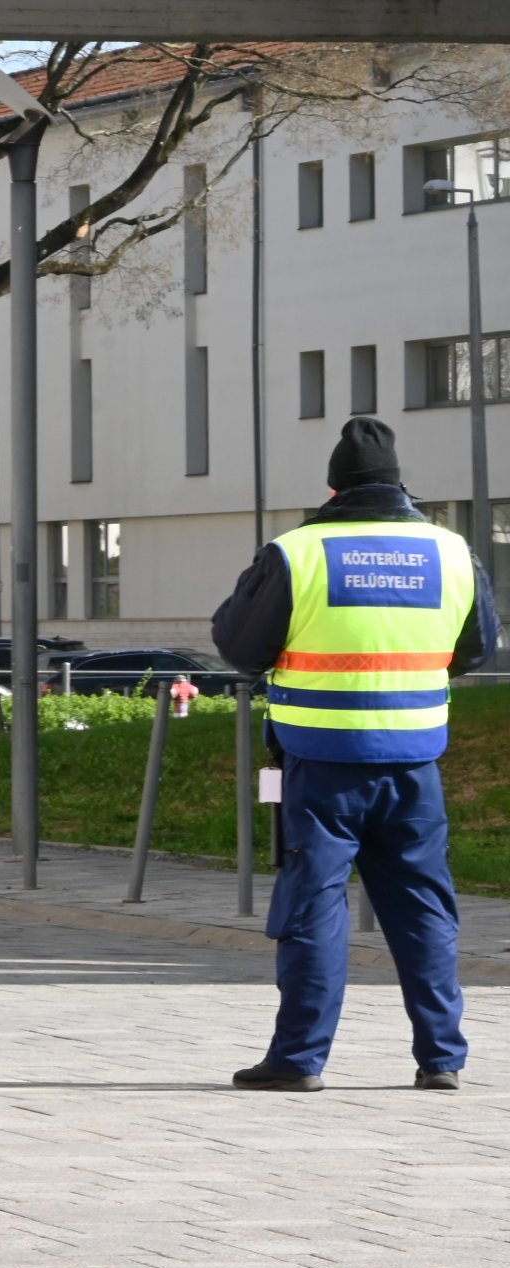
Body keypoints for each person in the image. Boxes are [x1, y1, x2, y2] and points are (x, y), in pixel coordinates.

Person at [213, 418, 498, 1092]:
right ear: (401, 486)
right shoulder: (451, 551)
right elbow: (477, 647)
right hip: (414, 763)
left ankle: (298, 1060)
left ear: (333, 487)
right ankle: (443, 1058)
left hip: (321, 763)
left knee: (313, 906)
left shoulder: (297, 552)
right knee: (423, 906)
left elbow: (240, 646)